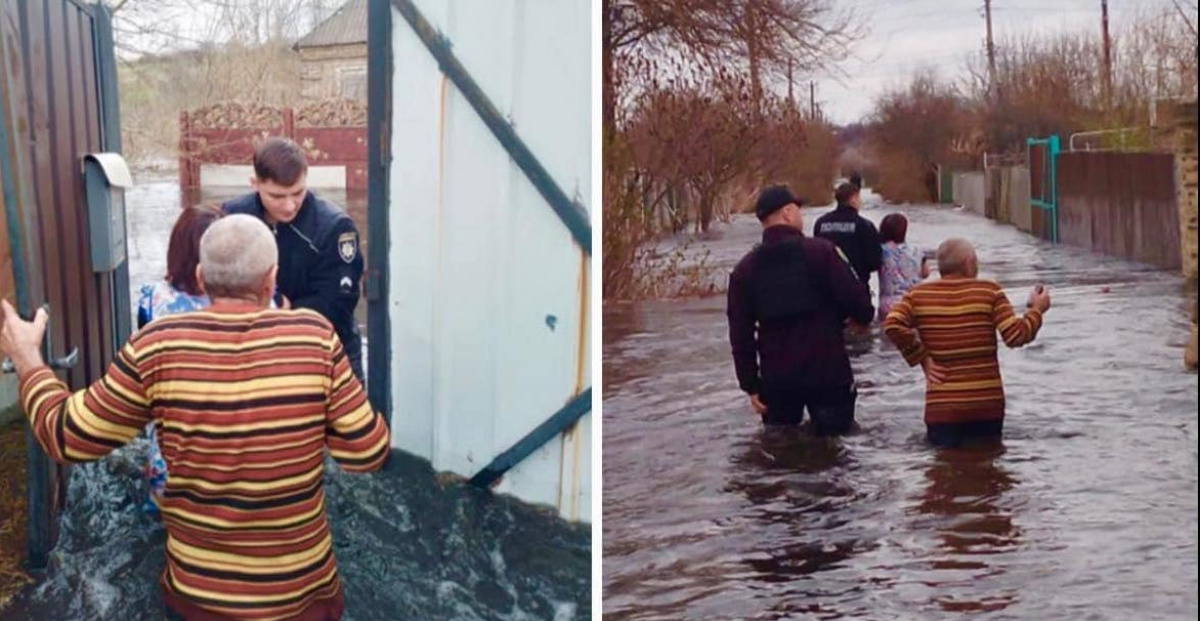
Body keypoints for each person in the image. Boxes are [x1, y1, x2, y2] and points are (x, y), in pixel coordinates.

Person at [1, 214, 391, 621]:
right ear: (272, 279)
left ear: (202, 278)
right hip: (304, 599)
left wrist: (27, 357)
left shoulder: (157, 344)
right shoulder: (316, 338)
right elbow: (367, 454)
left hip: (198, 601)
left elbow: (66, 436)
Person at [727, 185, 875, 435]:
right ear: (787, 212)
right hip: (828, 372)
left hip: (777, 379)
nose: (801, 215)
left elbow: (740, 334)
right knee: (836, 454)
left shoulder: (744, 269)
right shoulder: (822, 252)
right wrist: (862, 320)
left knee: (780, 453)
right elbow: (857, 297)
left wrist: (750, 385)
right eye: (798, 209)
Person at [882, 238, 1050, 448]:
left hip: (942, 408)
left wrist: (922, 358)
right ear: (970, 263)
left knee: (943, 473)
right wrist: (1037, 310)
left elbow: (892, 324)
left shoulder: (917, 296)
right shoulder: (990, 291)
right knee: (989, 471)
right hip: (986, 406)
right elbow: (1016, 336)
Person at [224, 137, 366, 382]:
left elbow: (339, 302)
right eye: (277, 197)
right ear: (254, 184)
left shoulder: (334, 226)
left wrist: (282, 310)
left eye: (298, 193)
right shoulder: (231, 218)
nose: (290, 206)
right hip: (257, 353)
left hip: (328, 352)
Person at [135, 203, 223, 515]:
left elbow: (145, 372)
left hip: (171, 462)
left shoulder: (151, 299)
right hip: (238, 458)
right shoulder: (261, 297)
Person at [814, 182, 882, 290]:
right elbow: (874, 262)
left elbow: (815, 255)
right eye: (859, 198)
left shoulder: (821, 223)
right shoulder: (864, 225)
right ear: (853, 199)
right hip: (856, 288)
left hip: (827, 290)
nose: (860, 201)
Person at [876, 212, 931, 321]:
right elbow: (925, 274)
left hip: (888, 306)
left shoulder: (880, 251)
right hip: (914, 304)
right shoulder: (917, 250)